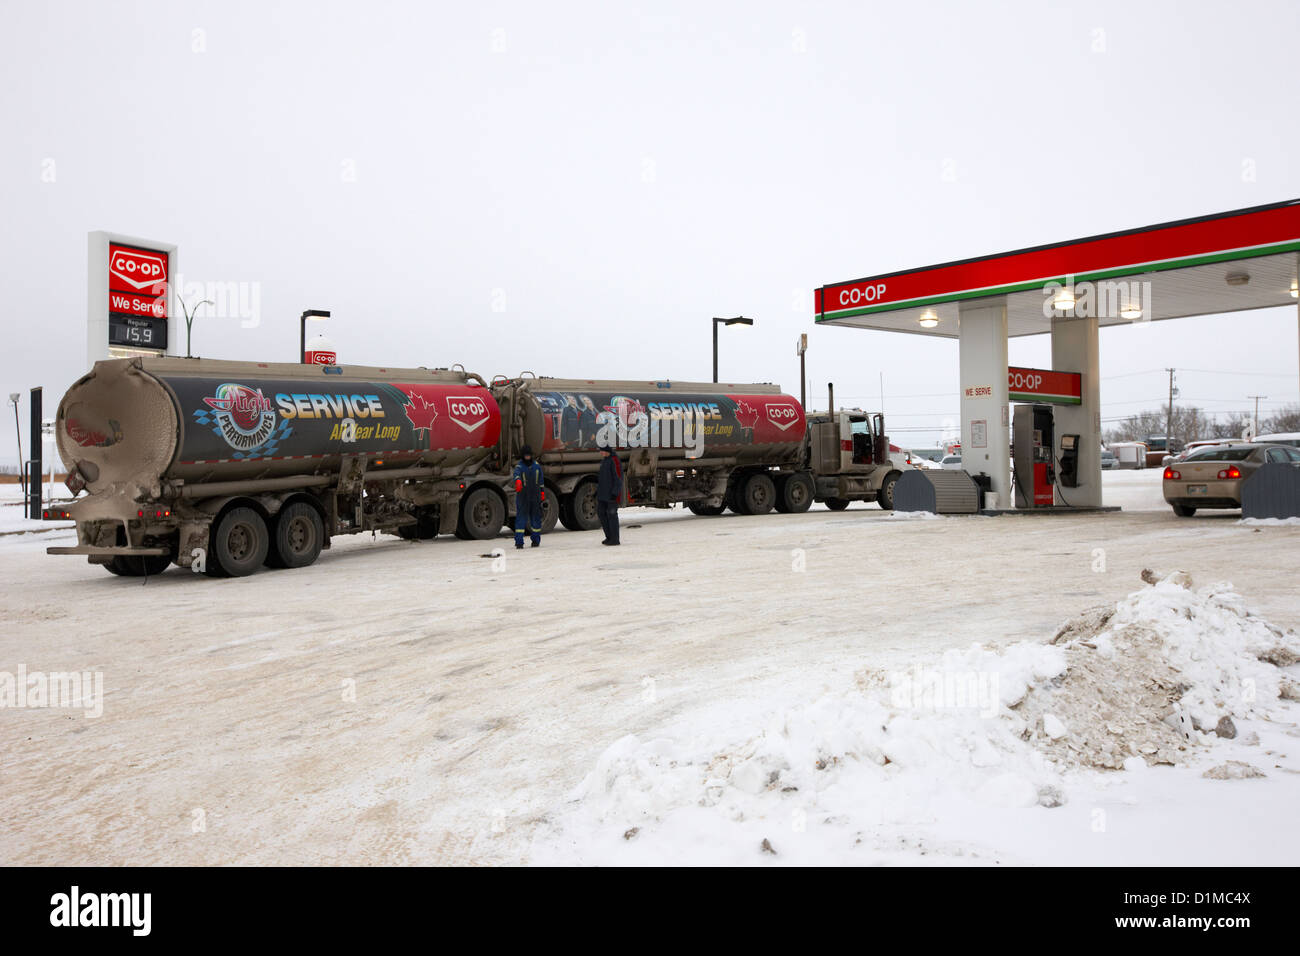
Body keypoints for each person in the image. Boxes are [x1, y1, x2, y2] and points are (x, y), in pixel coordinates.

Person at [512, 445, 545, 549]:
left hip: (535, 497)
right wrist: (517, 480)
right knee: (521, 520)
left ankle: (535, 540)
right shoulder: (519, 467)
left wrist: (542, 492)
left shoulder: (536, 466)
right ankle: (519, 542)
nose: (527, 457)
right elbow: (516, 474)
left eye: (529, 455)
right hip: (523, 497)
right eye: (525, 455)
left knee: (536, 520)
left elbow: (541, 481)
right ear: (523, 456)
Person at [596, 444, 623, 546]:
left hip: (611, 495)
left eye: (601, 451)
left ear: (606, 451)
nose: (600, 453)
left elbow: (618, 478)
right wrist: (597, 492)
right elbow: (602, 479)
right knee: (601, 514)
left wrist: (615, 493)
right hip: (602, 495)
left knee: (612, 515)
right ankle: (609, 537)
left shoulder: (614, 461)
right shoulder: (604, 461)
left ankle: (615, 539)